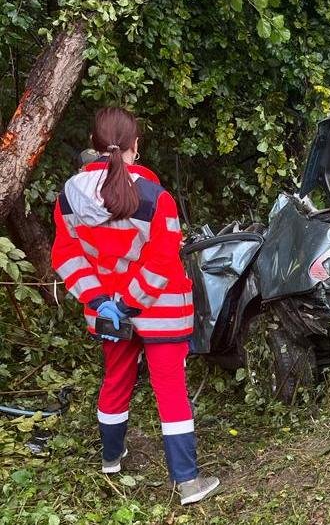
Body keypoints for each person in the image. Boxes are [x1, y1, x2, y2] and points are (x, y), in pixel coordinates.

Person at [51, 107, 220, 505]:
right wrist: (130, 303)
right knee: (171, 391)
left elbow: (66, 256)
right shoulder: (155, 197)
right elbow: (163, 261)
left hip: (108, 312)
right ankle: (188, 483)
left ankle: (111, 459)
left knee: (115, 379)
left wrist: (102, 302)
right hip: (158, 309)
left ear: (94, 144)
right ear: (134, 146)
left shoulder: (68, 198)